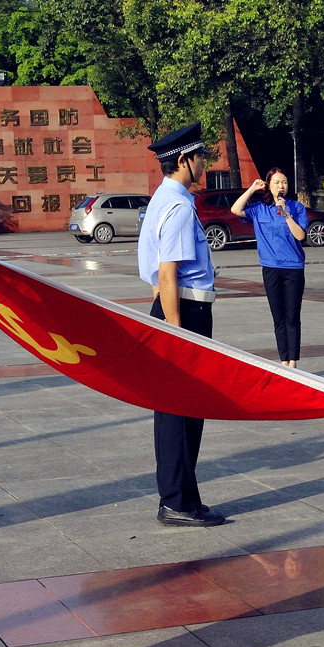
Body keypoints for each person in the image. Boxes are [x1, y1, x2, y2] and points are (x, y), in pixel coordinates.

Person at [137, 123, 223, 527]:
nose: (204, 162)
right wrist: (176, 331)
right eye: (200, 156)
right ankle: (175, 501)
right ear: (184, 161)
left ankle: (184, 496)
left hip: (178, 309)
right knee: (178, 413)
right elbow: (167, 274)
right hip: (182, 313)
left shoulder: (165, 199)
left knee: (186, 409)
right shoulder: (177, 205)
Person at [232, 167, 308, 368]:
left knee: (292, 316)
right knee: (278, 317)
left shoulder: (296, 207)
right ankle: (284, 360)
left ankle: (293, 362)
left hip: (293, 268)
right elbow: (235, 210)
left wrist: (285, 214)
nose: (281, 186)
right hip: (270, 268)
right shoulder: (259, 209)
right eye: (276, 182)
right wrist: (251, 189)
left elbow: (300, 236)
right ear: (269, 186)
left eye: (284, 182)